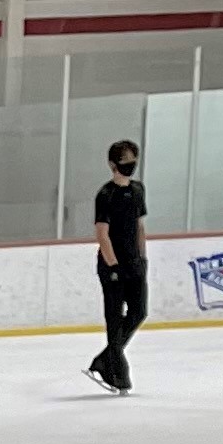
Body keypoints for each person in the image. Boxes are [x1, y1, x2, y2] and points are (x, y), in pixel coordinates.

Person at [91, 136, 148, 393]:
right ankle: (118, 373)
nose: (130, 164)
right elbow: (102, 234)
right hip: (112, 265)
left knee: (138, 312)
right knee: (114, 320)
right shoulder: (106, 195)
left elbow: (139, 226)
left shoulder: (138, 190)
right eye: (125, 160)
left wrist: (143, 257)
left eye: (133, 159)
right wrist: (113, 266)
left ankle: (104, 360)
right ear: (113, 164)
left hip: (135, 263)